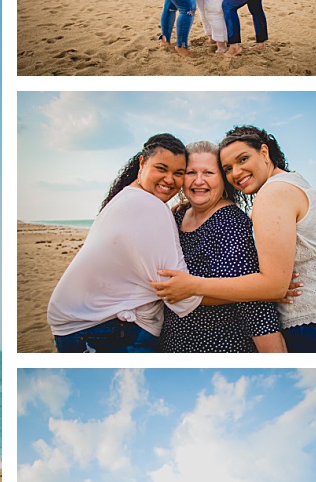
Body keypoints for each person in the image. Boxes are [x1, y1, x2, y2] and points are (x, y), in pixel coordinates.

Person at [152, 125, 316, 352]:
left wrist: (192, 286)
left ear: (265, 153)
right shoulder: (294, 183)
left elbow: (271, 287)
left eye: (243, 159)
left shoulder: (272, 194)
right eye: (229, 168)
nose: (237, 172)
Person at [47, 134, 203, 352]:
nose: (170, 179)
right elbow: (176, 293)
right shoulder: (150, 206)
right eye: (161, 168)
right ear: (142, 163)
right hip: (106, 329)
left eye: (178, 173)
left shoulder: (126, 197)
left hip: (82, 326)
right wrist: (254, 291)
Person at [159, 141, 284, 352]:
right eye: (191, 173)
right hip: (173, 342)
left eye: (208, 172)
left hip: (220, 345)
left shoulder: (231, 222)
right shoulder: (177, 216)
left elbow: (253, 302)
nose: (199, 181)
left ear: (223, 180)